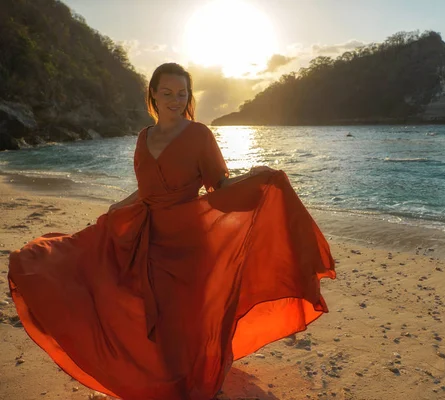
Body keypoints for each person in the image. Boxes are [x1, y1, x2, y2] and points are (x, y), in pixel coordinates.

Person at [8, 62, 336, 400]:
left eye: (182, 94)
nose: (175, 100)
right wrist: (117, 207)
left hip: (187, 239)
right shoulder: (143, 138)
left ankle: (196, 375)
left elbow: (219, 185)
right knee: (145, 307)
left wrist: (256, 177)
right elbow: (147, 189)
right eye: (167, 93)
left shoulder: (199, 135)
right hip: (146, 234)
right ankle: (159, 374)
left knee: (187, 313)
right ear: (153, 93)